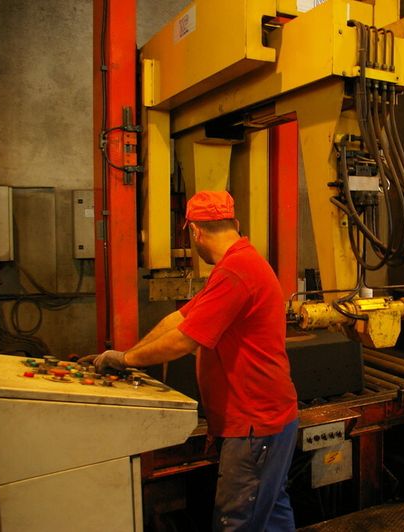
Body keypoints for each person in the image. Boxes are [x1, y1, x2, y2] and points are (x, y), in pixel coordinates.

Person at [83, 190, 298, 531]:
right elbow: (178, 320)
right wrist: (126, 356)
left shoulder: (236, 271)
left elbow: (184, 340)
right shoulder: (237, 264)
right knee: (270, 513)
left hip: (255, 424)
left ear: (194, 231)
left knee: (237, 522)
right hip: (266, 419)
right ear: (235, 222)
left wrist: (125, 359)